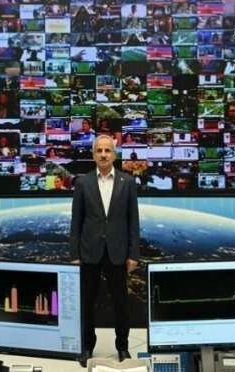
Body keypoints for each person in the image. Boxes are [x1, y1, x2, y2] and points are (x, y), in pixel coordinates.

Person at [70, 135, 140, 367]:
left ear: (114, 154)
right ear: (93, 155)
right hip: (89, 251)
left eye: (107, 150)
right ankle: (87, 347)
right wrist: (74, 255)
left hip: (117, 252)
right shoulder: (83, 182)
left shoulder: (127, 182)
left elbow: (133, 221)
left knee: (121, 304)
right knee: (87, 304)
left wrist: (133, 254)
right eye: (99, 150)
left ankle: (122, 347)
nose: (103, 154)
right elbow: (76, 221)